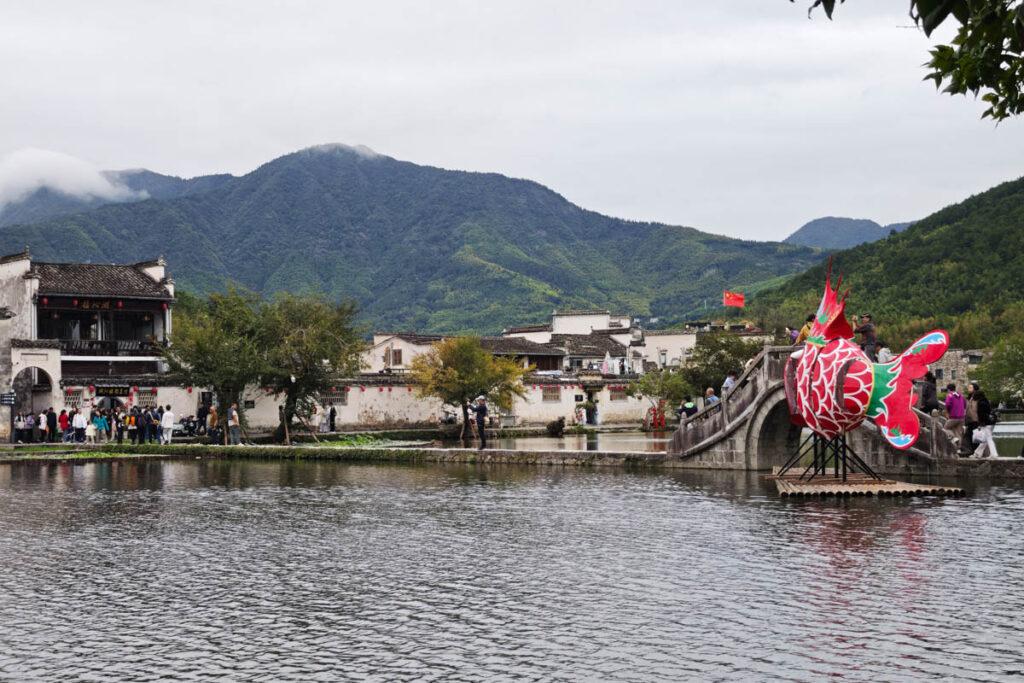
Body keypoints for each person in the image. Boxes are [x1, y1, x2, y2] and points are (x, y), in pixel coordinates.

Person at [970, 383, 999, 458]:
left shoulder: (980, 403)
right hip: (990, 422)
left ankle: (994, 454)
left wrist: (981, 423)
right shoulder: (986, 401)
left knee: (988, 439)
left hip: (986, 423)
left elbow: (981, 415)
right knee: (985, 439)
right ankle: (977, 453)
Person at [943, 383, 966, 448]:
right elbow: (965, 404)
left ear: (948, 389)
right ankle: (958, 448)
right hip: (961, 417)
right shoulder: (961, 395)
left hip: (953, 417)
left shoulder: (950, 395)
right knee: (958, 433)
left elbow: (948, 404)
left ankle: (953, 437)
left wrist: (948, 411)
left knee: (945, 429)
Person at [965, 383, 980, 454]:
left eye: (970, 387)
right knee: (969, 435)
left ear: (975, 389)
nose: (968, 389)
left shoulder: (978, 398)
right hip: (969, 420)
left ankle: (976, 452)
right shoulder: (969, 398)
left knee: (975, 436)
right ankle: (972, 451)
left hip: (976, 420)